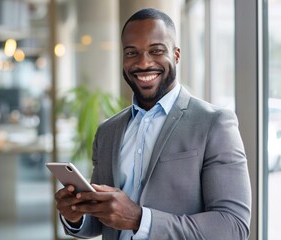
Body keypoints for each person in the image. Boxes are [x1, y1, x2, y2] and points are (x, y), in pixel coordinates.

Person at [54, 8, 251, 240]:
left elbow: (232, 227)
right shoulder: (108, 131)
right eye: (131, 53)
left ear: (176, 55)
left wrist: (139, 220)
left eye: (156, 51)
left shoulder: (214, 124)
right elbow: (102, 220)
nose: (143, 63)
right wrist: (76, 215)